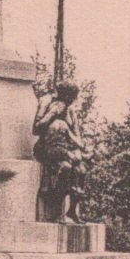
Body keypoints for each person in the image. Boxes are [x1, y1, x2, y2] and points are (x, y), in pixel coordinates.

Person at [33, 80, 89, 223]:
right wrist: (52, 115)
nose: (72, 100)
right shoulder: (48, 103)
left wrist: (78, 151)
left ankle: (71, 211)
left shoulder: (71, 110)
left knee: (81, 170)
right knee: (65, 168)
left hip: (66, 149)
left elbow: (76, 135)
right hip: (48, 147)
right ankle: (57, 211)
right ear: (64, 95)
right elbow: (36, 129)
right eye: (70, 97)